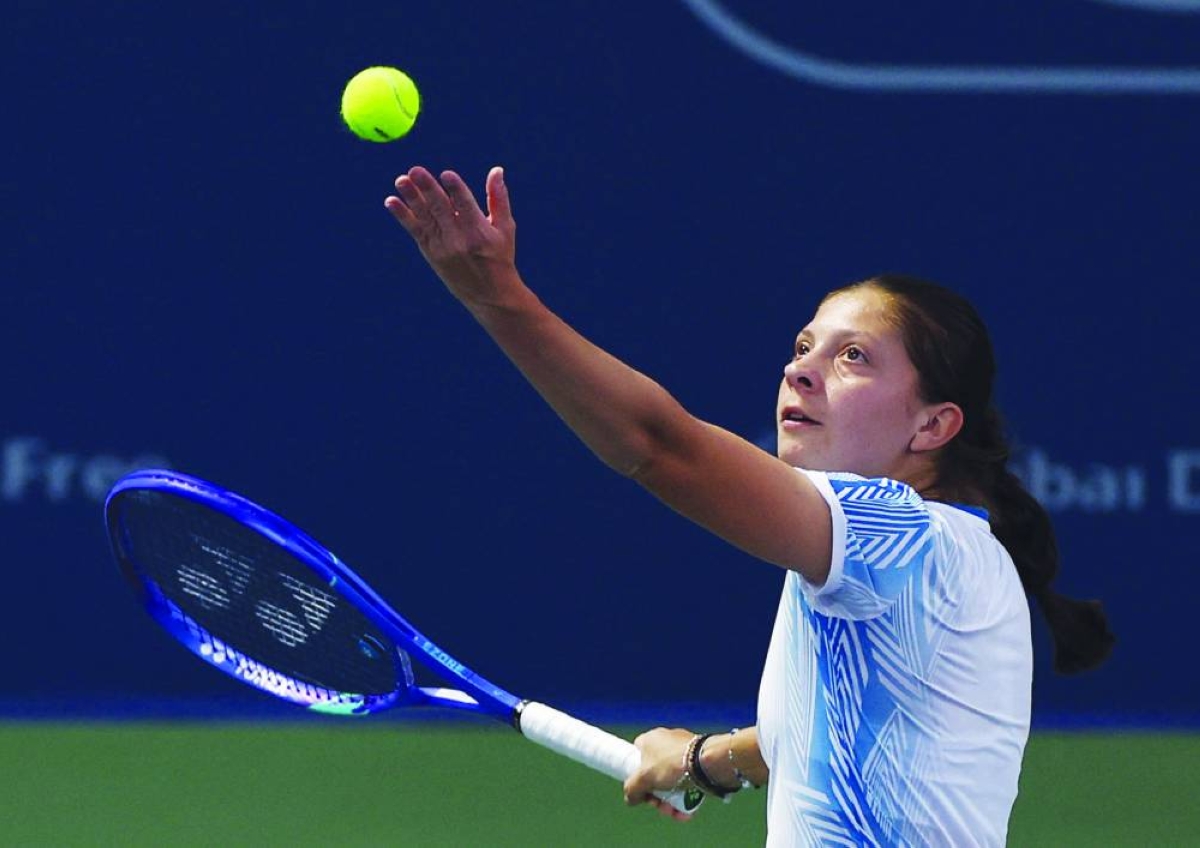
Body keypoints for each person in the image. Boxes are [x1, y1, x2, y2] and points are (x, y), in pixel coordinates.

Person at [384, 166, 1114, 847]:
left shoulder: (900, 534)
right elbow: (853, 723)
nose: (801, 370)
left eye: (853, 356)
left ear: (933, 426)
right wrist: (706, 760)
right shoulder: (952, 558)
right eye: (804, 346)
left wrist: (499, 298)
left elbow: (658, 447)